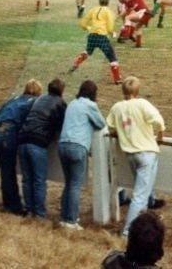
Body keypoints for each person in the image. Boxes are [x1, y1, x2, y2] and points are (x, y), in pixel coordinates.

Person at [106, 76, 165, 236]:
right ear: (137, 91)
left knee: (143, 193)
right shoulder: (142, 104)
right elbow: (158, 121)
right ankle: (128, 232)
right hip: (146, 153)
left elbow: (110, 128)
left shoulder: (117, 107)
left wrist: (121, 133)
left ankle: (143, 228)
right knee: (140, 195)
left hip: (131, 154)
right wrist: (160, 135)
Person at [57, 80, 105, 230]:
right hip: (78, 146)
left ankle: (64, 217)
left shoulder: (72, 103)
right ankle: (71, 220)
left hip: (63, 144)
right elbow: (101, 123)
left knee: (69, 182)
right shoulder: (90, 106)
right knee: (75, 185)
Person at [17, 78, 67, 218]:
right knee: (39, 180)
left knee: (27, 179)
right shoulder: (60, 104)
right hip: (38, 142)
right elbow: (61, 125)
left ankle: (29, 208)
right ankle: (39, 213)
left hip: (23, 139)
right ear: (62, 91)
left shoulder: (39, 99)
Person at [0, 79, 42, 215]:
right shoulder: (33, 103)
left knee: (5, 171)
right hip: (9, 133)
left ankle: (9, 201)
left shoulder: (13, 99)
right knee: (8, 172)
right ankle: (13, 206)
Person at [70, 0, 123, 85]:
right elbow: (110, 27)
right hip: (102, 36)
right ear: (108, 2)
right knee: (112, 57)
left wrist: (88, 28)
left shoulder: (93, 9)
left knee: (87, 51)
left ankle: (76, 64)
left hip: (92, 36)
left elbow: (82, 23)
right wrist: (113, 33)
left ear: (99, 1)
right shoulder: (108, 12)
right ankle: (117, 79)